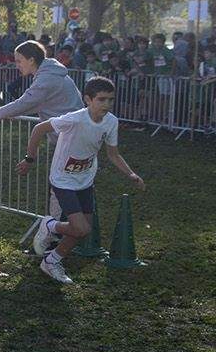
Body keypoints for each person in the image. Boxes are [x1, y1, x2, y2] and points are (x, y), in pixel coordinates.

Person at [19, 76, 145, 284]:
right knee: (82, 228)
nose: (106, 104)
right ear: (88, 99)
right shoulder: (75, 118)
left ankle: (52, 261)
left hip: (85, 179)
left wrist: (130, 174)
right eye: (101, 99)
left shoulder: (111, 122)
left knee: (81, 232)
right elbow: (39, 129)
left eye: (110, 100)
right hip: (63, 179)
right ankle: (50, 225)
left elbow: (113, 154)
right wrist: (29, 159)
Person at [0, 40, 84, 126]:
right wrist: (6, 112)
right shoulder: (51, 73)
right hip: (72, 133)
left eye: (19, 61)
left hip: (72, 136)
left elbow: (20, 105)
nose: (17, 66)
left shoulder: (46, 80)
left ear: (31, 60)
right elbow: (24, 107)